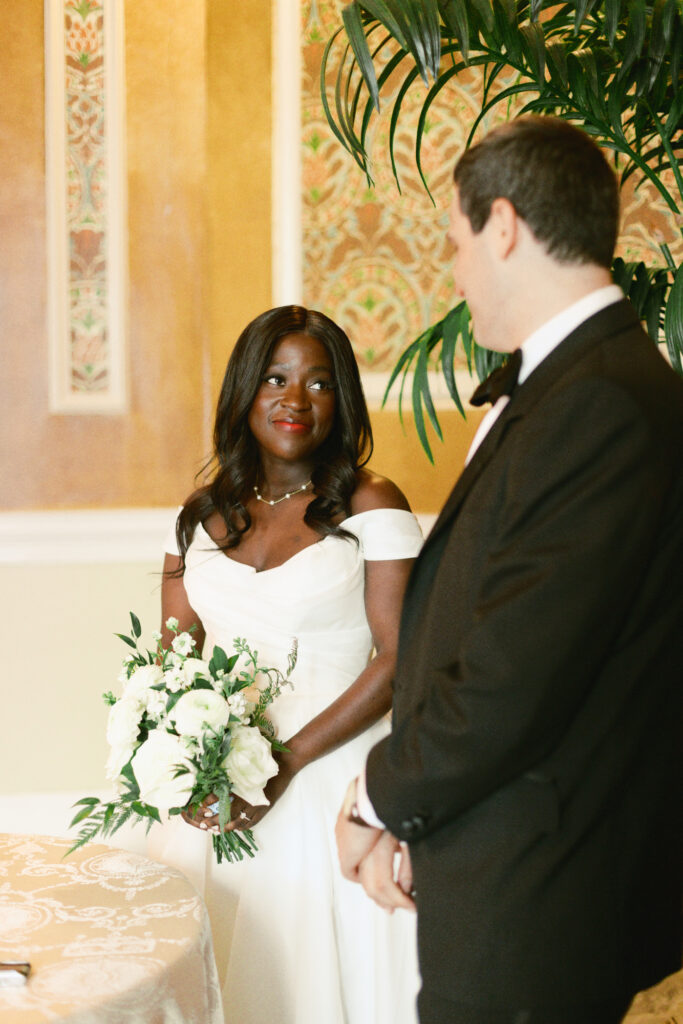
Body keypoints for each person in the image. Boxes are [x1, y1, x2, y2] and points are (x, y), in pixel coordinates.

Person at [336, 115, 683, 1024]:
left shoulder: (598, 404)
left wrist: (378, 795)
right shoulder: (578, 387)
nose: (454, 272)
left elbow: (513, 674)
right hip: (503, 875)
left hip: (534, 901)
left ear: (501, 226)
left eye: (454, 243)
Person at [149, 305, 422, 1024]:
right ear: (245, 391)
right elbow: (172, 660)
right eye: (275, 378)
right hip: (219, 780)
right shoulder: (199, 516)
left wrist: (283, 761)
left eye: (318, 382)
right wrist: (175, 759)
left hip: (329, 768)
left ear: (343, 401)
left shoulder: (371, 504)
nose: (294, 400)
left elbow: (398, 659)